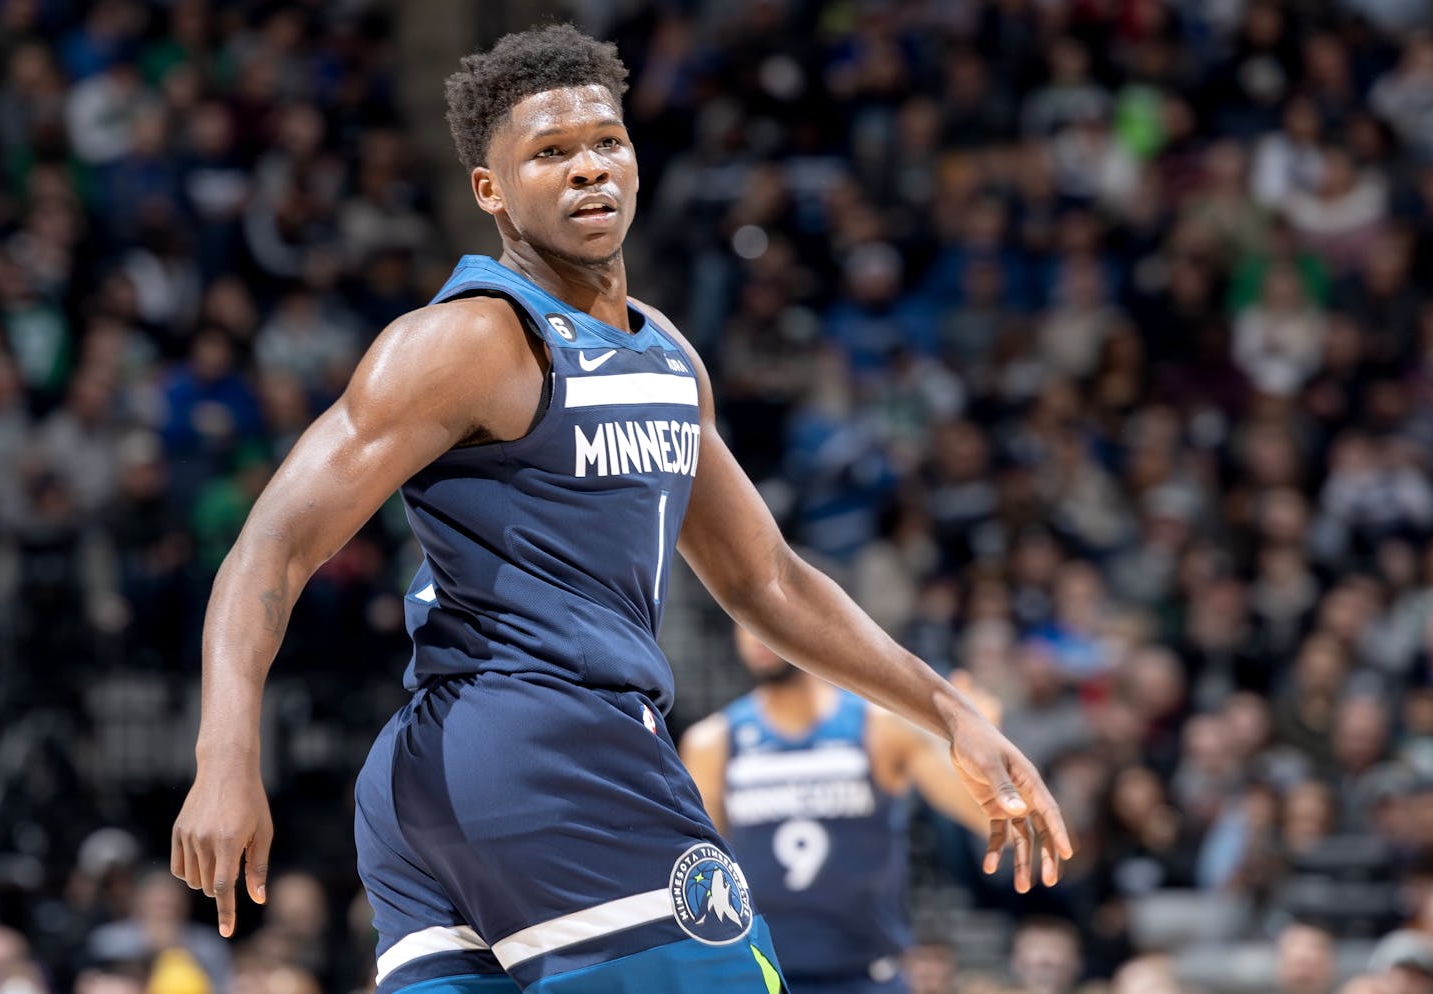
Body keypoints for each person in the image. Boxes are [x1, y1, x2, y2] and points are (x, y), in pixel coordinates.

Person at [169, 24, 1071, 994]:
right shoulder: (471, 341)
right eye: (550, 155)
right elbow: (272, 543)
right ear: (489, 190)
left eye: (606, 143)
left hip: (436, 791)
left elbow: (766, 580)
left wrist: (946, 711)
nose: (589, 170)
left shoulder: (668, 357)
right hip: (549, 747)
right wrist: (224, 754)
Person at [680, 627, 993, 993]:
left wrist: (983, 757)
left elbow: (988, 817)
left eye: (765, 617)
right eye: (741, 620)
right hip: (761, 977)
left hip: (867, 975)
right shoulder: (711, 743)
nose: (755, 635)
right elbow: (699, 873)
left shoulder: (882, 727)